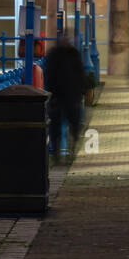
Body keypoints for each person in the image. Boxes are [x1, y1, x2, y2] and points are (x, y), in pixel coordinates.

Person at [43, 33, 86, 164]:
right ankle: (58, 151)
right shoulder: (58, 54)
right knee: (57, 125)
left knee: (71, 123)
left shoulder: (71, 54)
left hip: (69, 95)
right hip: (60, 96)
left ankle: (69, 148)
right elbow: (49, 74)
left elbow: (80, 74)